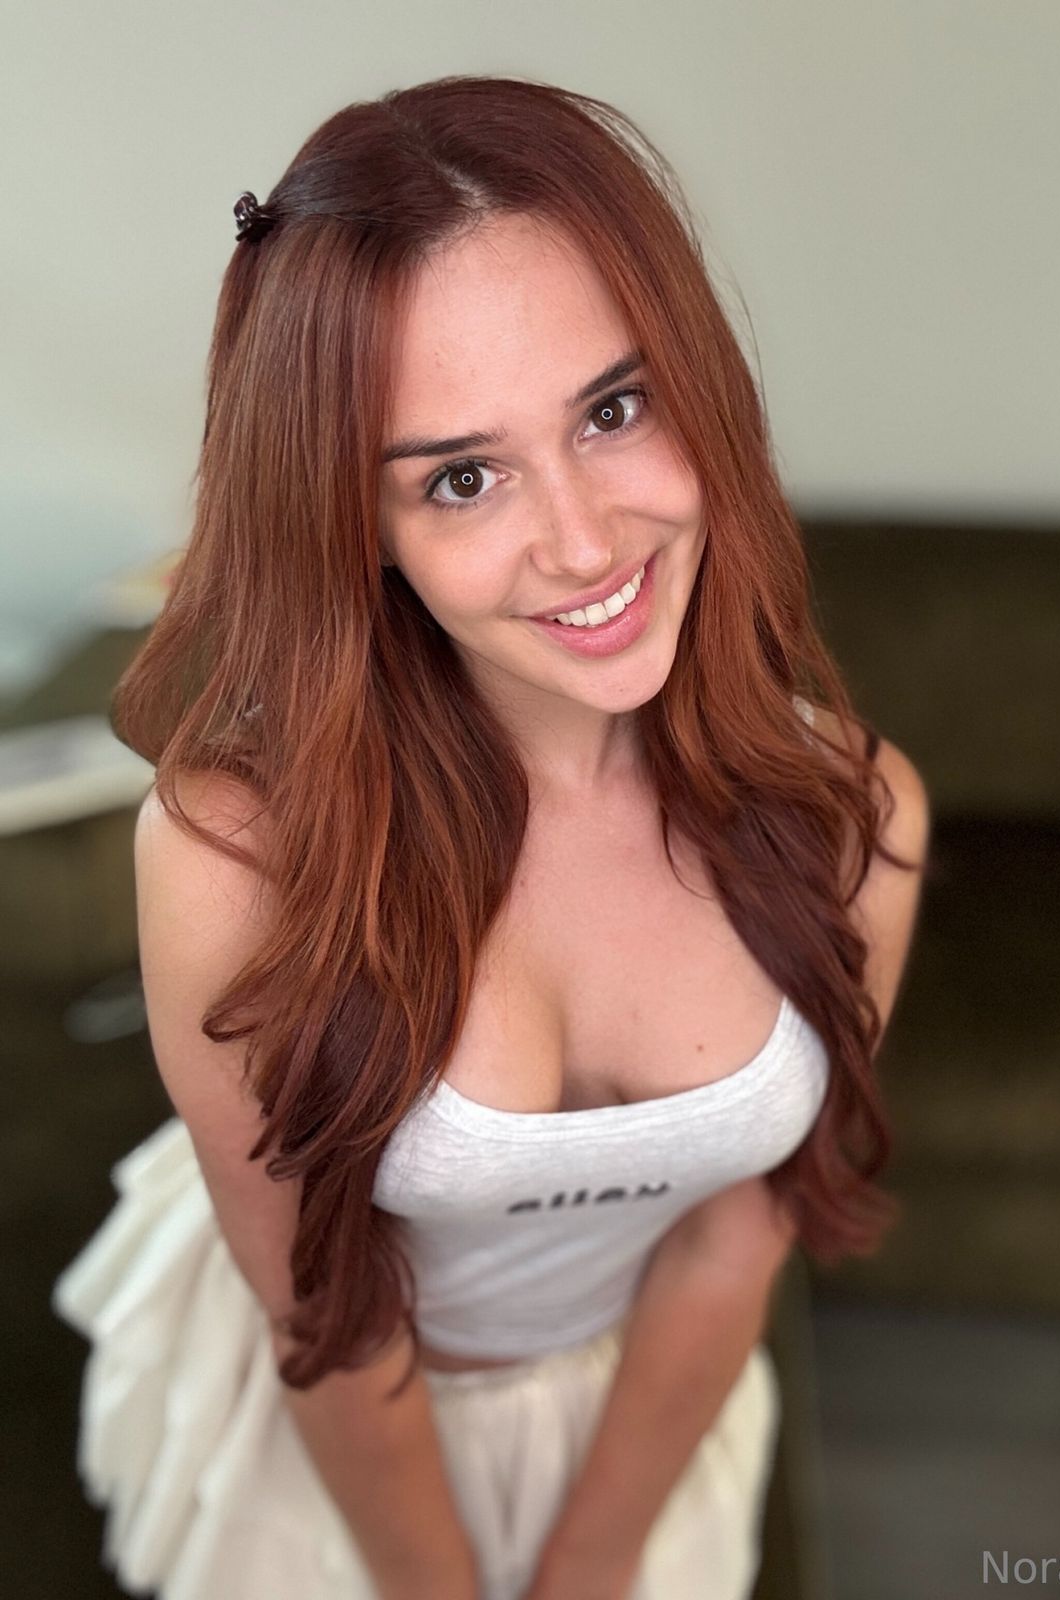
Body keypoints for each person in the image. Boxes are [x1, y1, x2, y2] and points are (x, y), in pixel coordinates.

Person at [51, 74, 929, 1600]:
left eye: (613, 409)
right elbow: (326, 1320)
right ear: (360, 527)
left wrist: (596, 1556)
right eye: (462, 478)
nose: (584, 544)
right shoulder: (232, 857)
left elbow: (734, 1242)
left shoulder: (854, 811)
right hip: (337, 1439)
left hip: (641, 1420)